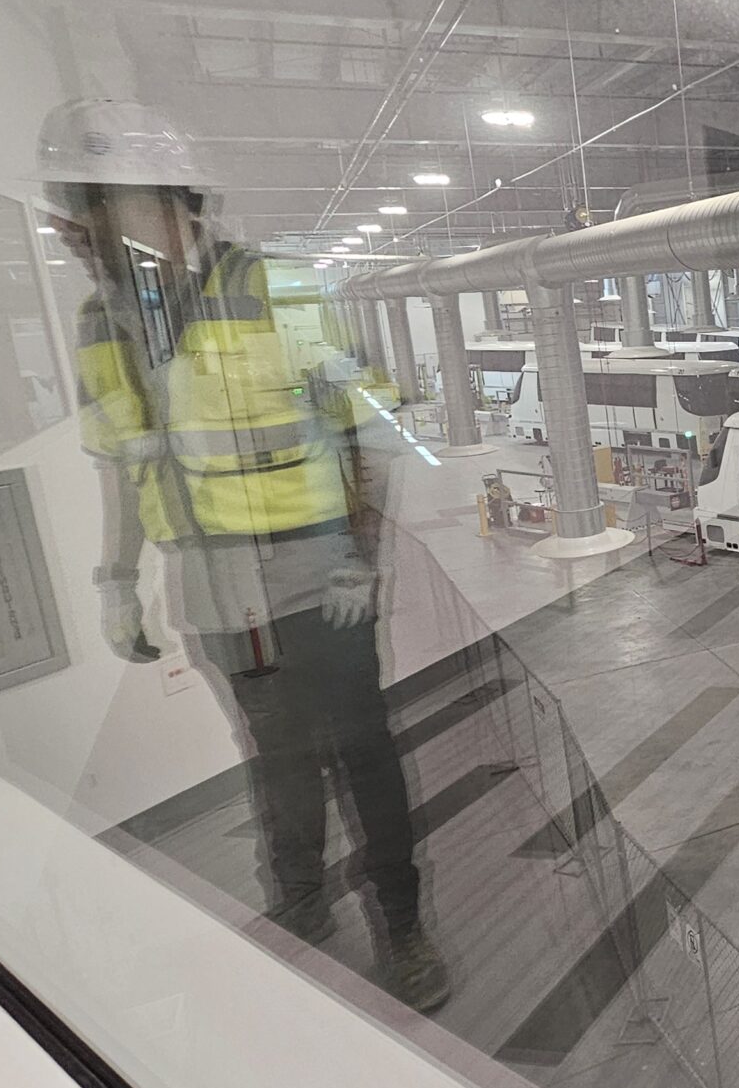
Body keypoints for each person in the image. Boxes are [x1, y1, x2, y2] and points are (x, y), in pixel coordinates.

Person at [43, 99, 449, 1012]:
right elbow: (125, 463)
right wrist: (117, 580)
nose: (89, 229)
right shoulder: (103, 323)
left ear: (175, 200)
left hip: (314, 572)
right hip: (214, 589)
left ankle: (404, 924)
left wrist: (360, 557)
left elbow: (367, 432)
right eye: (84, 208)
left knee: (361, 752)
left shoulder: (277, 289)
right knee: (273, 755)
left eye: (109, 205)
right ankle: (299, 912)